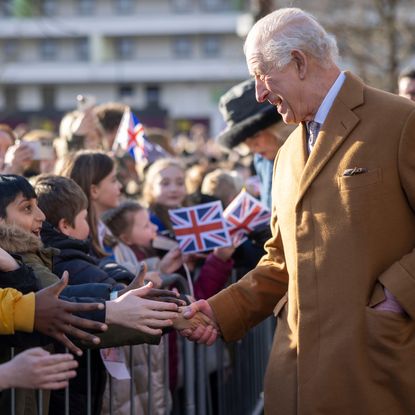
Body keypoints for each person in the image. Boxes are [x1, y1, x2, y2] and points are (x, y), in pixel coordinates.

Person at [180, 7, 415, 415]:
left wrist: (395, 296)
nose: (258, 94)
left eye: (261, 75)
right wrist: (220, 311)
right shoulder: (288, 152)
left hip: (374, 371)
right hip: (295, 377)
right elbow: (280, 261)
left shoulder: (400, 121)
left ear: (299, 62)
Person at [217, 78, 294, 209]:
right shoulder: (261, 160)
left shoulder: (302, 151)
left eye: (255, 135)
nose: (251, 146)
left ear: (278, 128)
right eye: (244, 141)